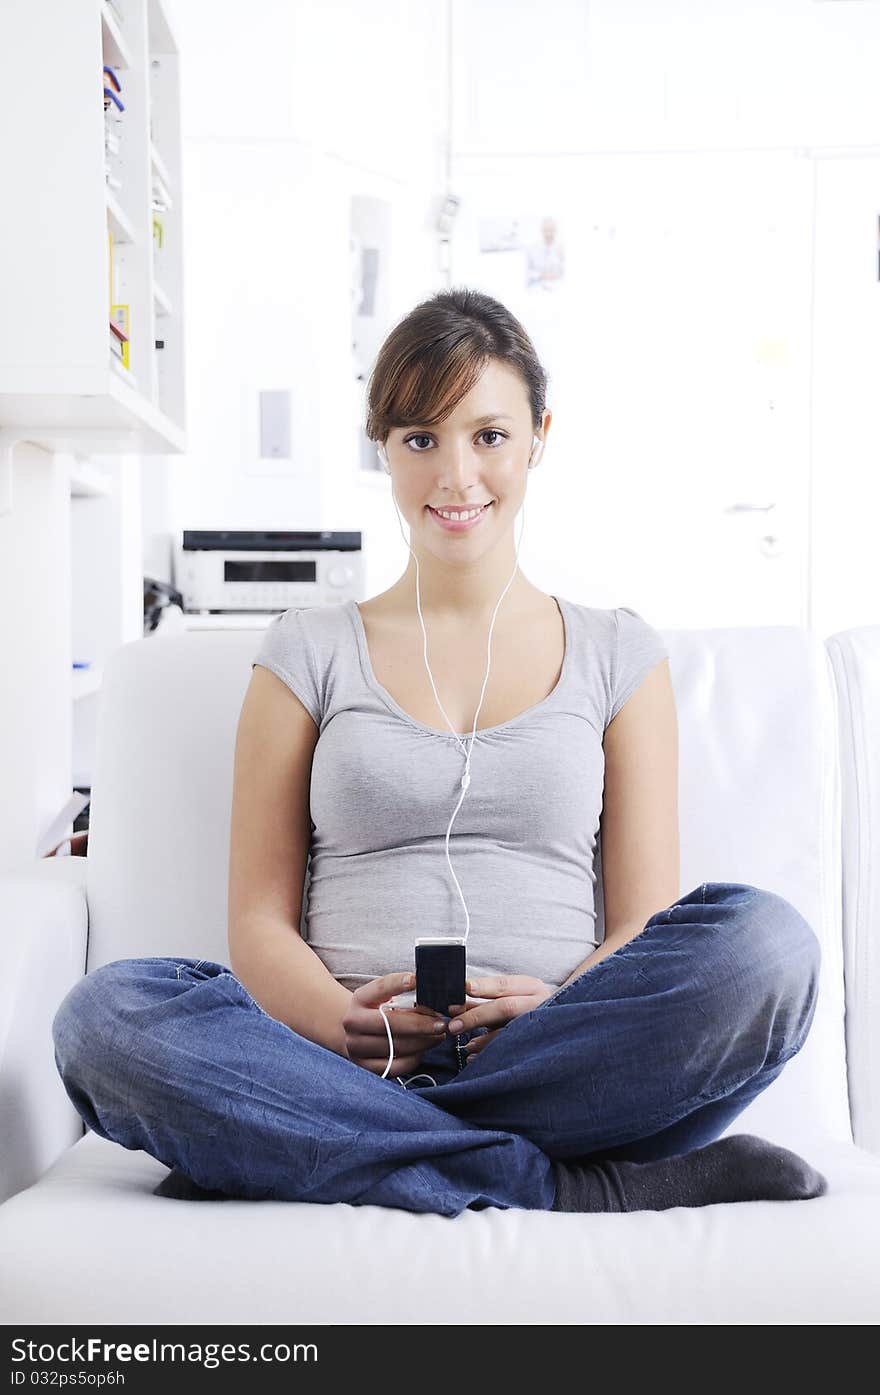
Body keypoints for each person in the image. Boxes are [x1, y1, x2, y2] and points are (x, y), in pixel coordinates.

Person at [51, 287, 828, 1217]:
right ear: (382, 448)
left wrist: (546, 1012)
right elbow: (258, 921)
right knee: (106, 1018)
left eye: (489, 435)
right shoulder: (307, 650)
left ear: (541, 435)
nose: (456, 476)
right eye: (421, 438)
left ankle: (311, 1147)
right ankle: (556, 1183)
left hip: (558, 1060)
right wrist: (352, 1031)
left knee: (769, 948)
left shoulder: (622, 653)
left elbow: (642, 925)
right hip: (338, 1062)